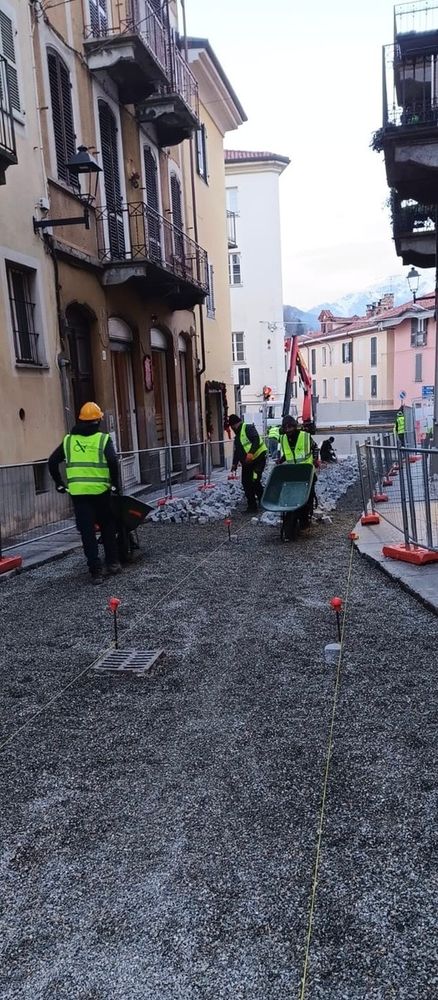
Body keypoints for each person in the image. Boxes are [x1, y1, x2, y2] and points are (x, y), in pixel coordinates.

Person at [48, 401, 121, 584]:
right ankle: (112, 563)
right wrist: (114, 484)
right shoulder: (102, 439)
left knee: (87, 533)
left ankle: (95, 572)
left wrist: (59, 483)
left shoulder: (69, 440)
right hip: (101, 493)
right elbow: (113, 461)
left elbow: (52, 461)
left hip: (79, 495)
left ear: (80, 420)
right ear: (97, 420)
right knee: (107, 526)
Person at [278, 416, 318, 528]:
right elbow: (289, 453)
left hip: (306, 472)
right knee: (293, 496)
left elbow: (315, 448)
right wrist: (281, 460)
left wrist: (315, 459)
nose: (288, 430)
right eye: (286, 428)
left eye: (290, 427)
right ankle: (293, 517)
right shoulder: (283, 438)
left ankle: (305, 518)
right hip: (293, 474)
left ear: (294, 426)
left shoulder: (305, 436)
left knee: (308, 496)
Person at [229, 413, 268, 513]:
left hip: (258, 459)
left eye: (232, 427)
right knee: (246, 483)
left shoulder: (248, 428)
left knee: (255, 480)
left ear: (235, 424)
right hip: (247, 463)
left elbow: (256, 439)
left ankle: (264, 501)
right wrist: (234, 464)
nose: (232, 429)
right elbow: (237, 451)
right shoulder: (237, 437)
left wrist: (251, 453)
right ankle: (252, 506)